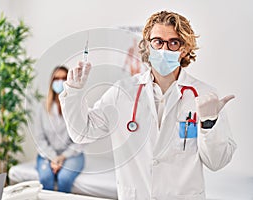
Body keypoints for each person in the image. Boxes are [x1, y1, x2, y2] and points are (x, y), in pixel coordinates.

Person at [59, 11, 236, 200]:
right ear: (147, 45)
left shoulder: (205, 95)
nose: (164, 49)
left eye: (173, 43)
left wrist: (209, 123)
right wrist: (74, 92)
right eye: (158, 41)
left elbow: (217, 162)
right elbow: (82, 133)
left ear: (184, 49)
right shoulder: (122, 92)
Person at [33, 66, 84, 192]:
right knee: (45, 178)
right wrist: (53, 158)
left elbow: (80, 139)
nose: (60, 82)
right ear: (51, 82)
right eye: (56, 78)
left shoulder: (77, 106)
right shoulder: (42, 107)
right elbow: (39, 139)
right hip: (47, 155)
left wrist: (62, 157)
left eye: (63, 78)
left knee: (64, 178)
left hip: (72, 155)